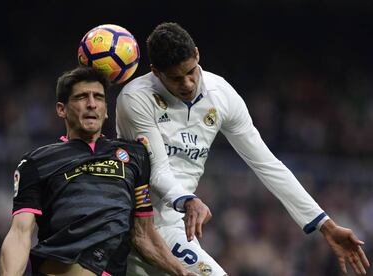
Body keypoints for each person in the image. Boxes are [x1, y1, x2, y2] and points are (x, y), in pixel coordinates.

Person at [115, 22, 370, 275]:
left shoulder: (222, 95)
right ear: (156, 72)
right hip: (138, 221)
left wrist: (324, 224)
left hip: (173, 225)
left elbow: (266, 164)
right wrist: (188, 200)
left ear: (197, 54)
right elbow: (157, 170)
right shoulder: (135, 98)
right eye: (176, 78)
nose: (188, 83)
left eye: (191, 71)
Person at [0, 66, 198, 276]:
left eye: (98, 98)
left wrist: (182, 272)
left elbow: (143, 234)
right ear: (61, 109)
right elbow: (20, 232)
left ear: (105, 111)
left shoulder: (135, 156)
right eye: (81, 97)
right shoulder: (36, 162)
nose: (92, 104)